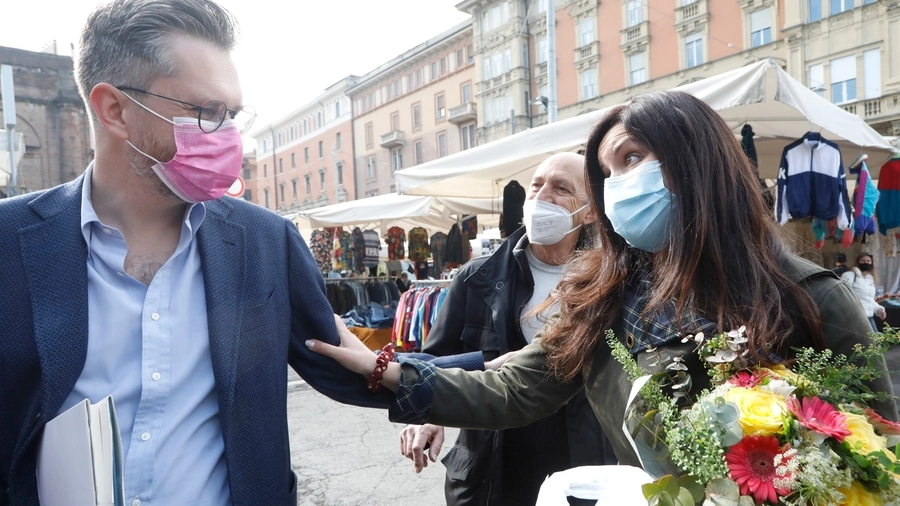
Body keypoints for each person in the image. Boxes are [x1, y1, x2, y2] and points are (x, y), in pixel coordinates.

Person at [307, 90, 898, 476]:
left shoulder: (810, 299)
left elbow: (875, 461)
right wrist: (390, 370)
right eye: (607, 173)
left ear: (696, 161)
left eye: (633, 158)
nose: (617, 185)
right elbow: (518, 385)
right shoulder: (606, 298)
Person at [0, 1, 394, 504]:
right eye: (206, 113)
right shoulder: (10, 242)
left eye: (231, 115)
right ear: (115, 110)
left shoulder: (266, 242)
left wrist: (510, 367)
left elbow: (348, 368)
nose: (228, 137)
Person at [400, 153, 616, 506]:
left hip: (580, 458)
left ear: (590, 211)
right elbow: (434, 358)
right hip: (493, 461)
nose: (541, 196)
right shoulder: (477, 277)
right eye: (536, 185)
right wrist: (428, 415)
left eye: (561, 188)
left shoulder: (607, 282)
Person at [842, 251, 886, 332]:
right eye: (863, 260)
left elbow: (870, 300)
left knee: (876, 341)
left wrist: (879, 309)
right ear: (857, 262)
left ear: (872, 263)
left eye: (868, 261)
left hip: (869, 317)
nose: (866, 263)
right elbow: (843, 295)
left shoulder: (870, 279)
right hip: (856, 317)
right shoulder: (849, 275)